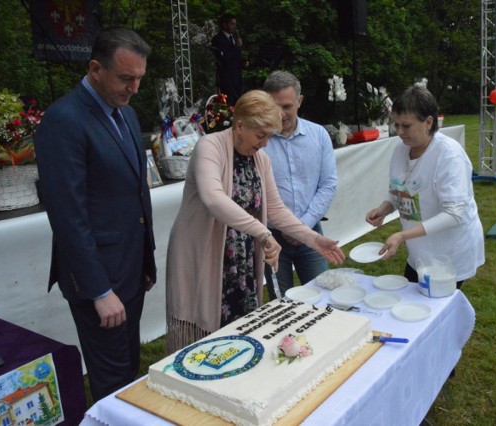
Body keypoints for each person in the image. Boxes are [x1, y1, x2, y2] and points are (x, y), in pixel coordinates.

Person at [165, 90, 345, 353]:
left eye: (269, 137)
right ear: (240, 126)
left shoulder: (260, 159)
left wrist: (313, 238)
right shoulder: (209, 147)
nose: (264, 144)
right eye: (260, 135)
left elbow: (276, 209)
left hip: (242, 263)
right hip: (205, 256)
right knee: (204, 340)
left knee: (238, 335)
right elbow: (213, 198)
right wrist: (263, 232)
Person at [34, 28, 157, 402]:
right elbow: (68, 215)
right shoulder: (64, 121)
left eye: (139, 79)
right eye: (125, 78)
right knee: (112, 380)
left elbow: (135, 193)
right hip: (98, 280)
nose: (133, 88)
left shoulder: (127, 114)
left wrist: (145, 260)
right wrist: (99, 289)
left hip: (130, 269)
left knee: (129, 366)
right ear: (95, 69)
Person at [365, 86, 484, 289]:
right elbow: (399, 188)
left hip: (449, 254)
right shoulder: (400, 150)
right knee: (412, 303)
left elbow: (454, 214)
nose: (399, 132)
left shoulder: (448, 155)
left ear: (428, 122)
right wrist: (384, 209)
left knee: (436, 310)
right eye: (397, 125)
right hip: (420, 250)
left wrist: (402, 235)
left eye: (406, 126)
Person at [262, 70, 337, 298]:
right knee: (281, 304)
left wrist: (302, 227)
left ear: (300, 101)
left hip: (311, 230)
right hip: (271, 237)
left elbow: (328, 184)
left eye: (287, 106)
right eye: (274, 107)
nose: (281, 114)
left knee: (323, 298)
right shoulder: (259, 140)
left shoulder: (318, 135)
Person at [211, 13, 245, 105]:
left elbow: (237, 56)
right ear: (224, 24)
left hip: (237, 78)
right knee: (228, 105)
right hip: (226, 79)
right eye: (232, 24)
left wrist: (244, 62)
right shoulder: (218, 39)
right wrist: (236, 47)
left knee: (239, 105)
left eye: (235, 24)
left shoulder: (234, 38)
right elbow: (224, 58)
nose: (235, 27)